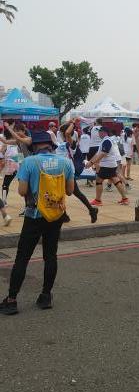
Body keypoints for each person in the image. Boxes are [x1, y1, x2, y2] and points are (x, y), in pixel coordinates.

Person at [0, 131, 74, 315]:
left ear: (34, 146)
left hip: (34, 215)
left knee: (22, 258)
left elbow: (22, 191)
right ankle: (46, 296)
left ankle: (11, 300)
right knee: (50, 256)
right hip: (55, 216)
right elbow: (70, 191)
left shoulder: (29, 162)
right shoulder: (66, 163)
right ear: (51, 146)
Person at [87, 127, 129, 207]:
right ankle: (125, 199)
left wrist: (92, 162)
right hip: (110, 164)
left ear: (104, 132)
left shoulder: (106, 141)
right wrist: (90, 162)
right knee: (115, 180)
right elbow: (98, 154)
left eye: (99, 132)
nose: (98, 134)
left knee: (99, 180)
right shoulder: (105, 140)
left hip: (107, 165)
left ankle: (98, 200)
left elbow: (103, 153)